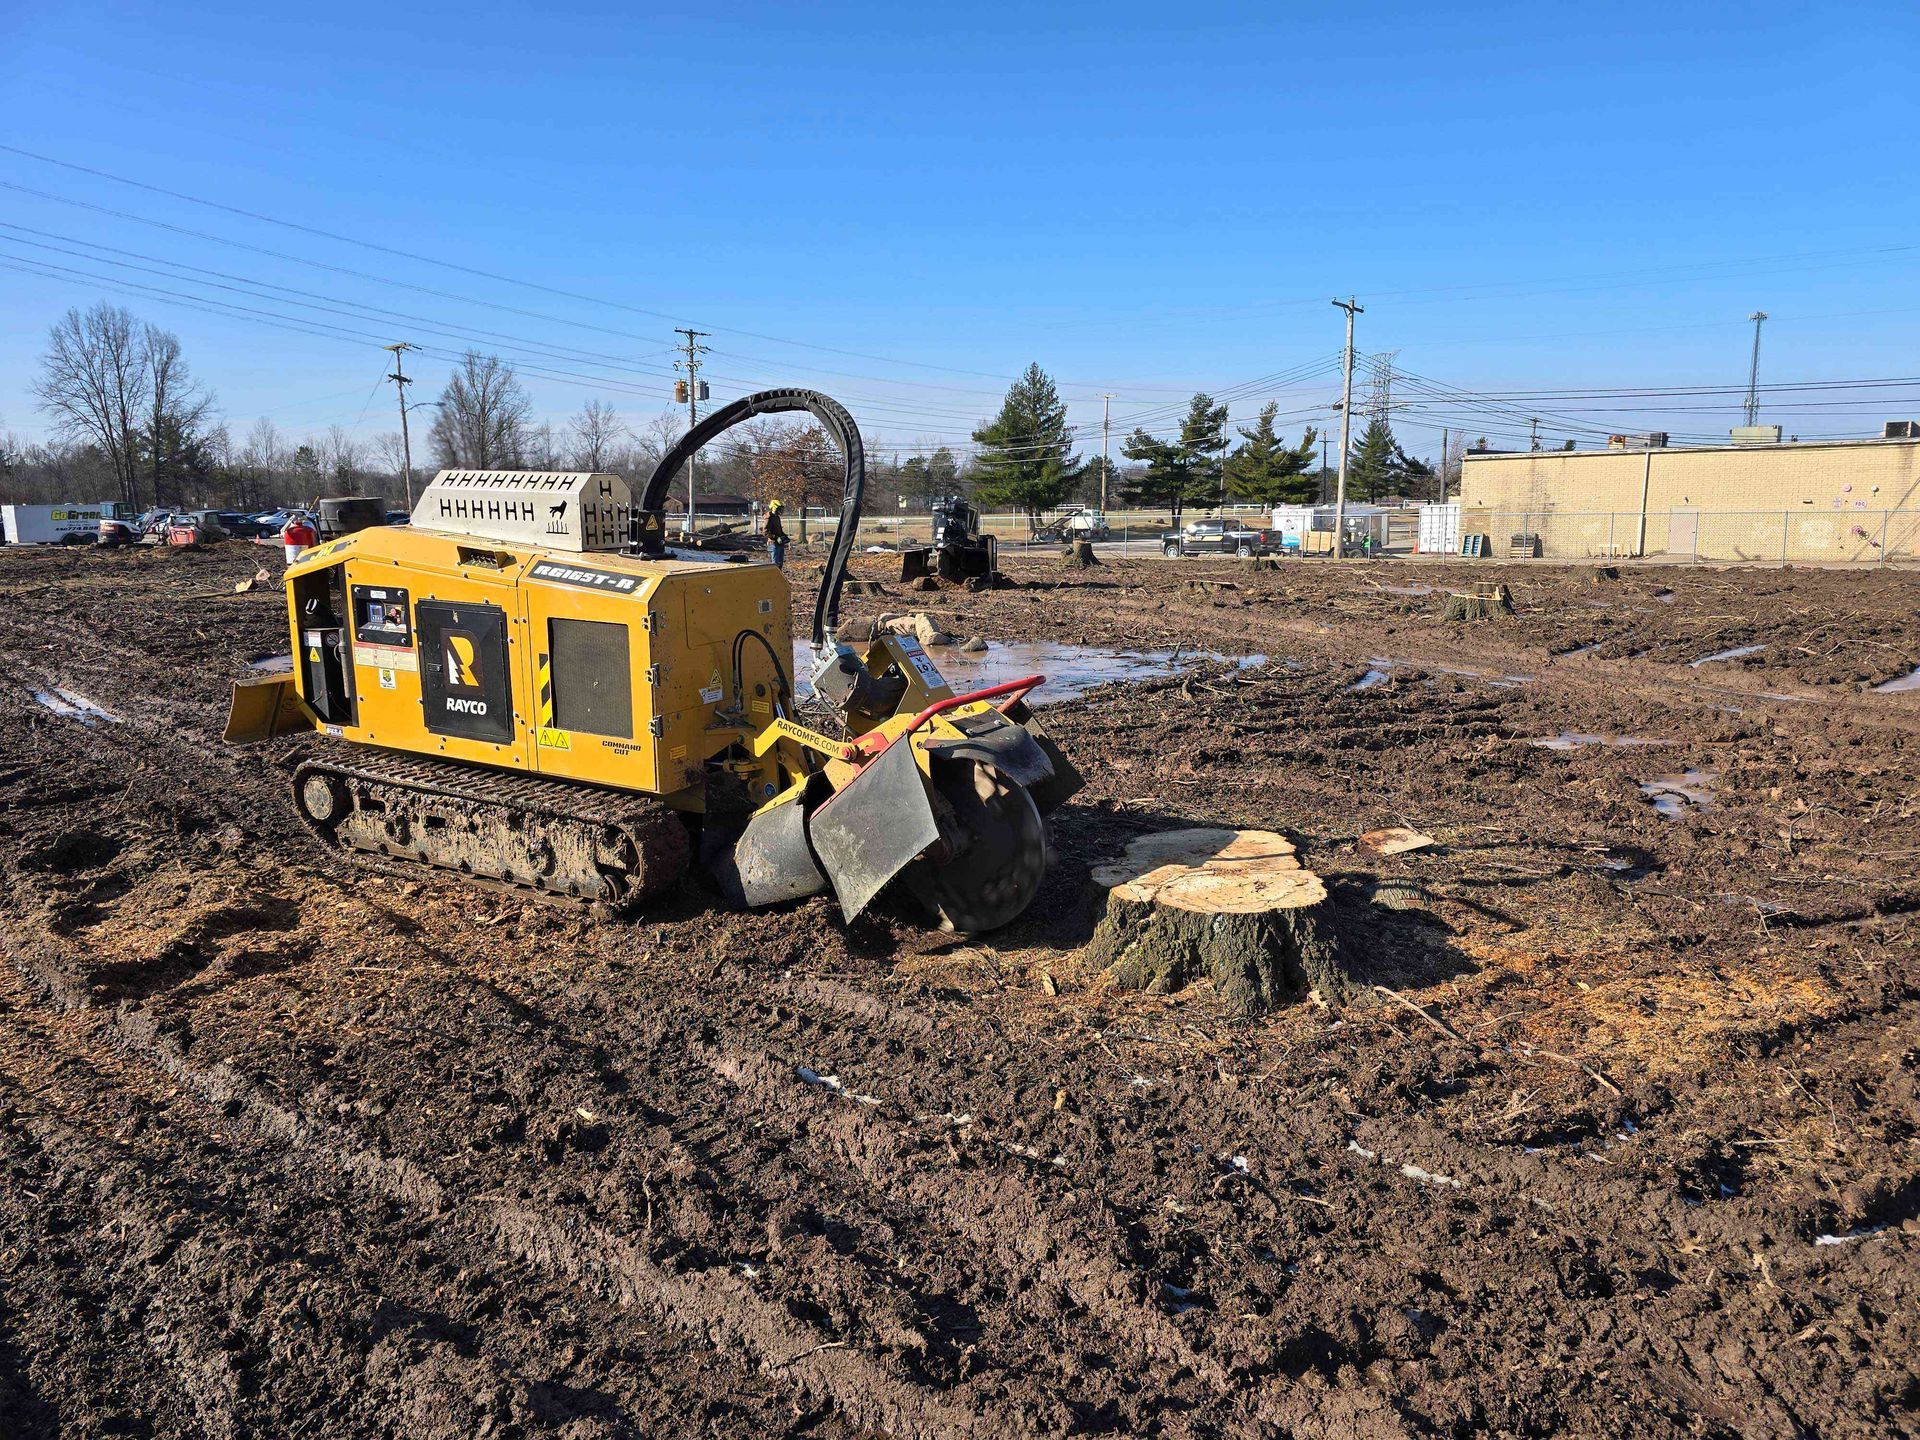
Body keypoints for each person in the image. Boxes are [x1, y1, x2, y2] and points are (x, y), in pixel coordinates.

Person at [764, 499, 788, 569]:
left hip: (780, 544)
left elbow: (779, 530)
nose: (781, 511)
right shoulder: (769, 518)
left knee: (780, 564)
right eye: (779, 509)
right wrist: (776, 537)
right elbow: (765, 532)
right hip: (773, 544)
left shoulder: (777, 517)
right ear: (775, 508)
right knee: (775, 565)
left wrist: (784, 536)